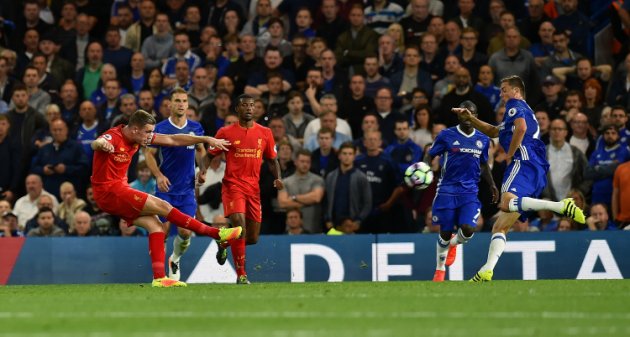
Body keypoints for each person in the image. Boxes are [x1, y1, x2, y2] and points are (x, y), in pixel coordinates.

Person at [453, 75, 585, 282]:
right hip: (536, 165)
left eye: (504, 89)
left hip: (523, 160)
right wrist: (470, 118)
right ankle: (487, 269)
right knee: (500, 226)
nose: (501, 94)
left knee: (505, 203)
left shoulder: (515, 105)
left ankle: (560, 207)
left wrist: (510, 153)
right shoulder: (516, 113)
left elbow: (521, 128)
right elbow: (494, 131)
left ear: (516, 91)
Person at [90, 109, 240, 288]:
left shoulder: (139, 137)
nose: (150, 136)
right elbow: (96, 143)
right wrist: (101, 145)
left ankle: (159, 278)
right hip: (109, 191)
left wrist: (205, 139)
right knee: (163, 206)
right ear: (135, 129)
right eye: (147, 132)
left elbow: (173, 139)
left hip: (117, 191)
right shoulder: (113, 137)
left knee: (156, 225)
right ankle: (217, 234)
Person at [207, 94, 283, 284]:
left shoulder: (265, 133)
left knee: (252, 238)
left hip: (253, 190)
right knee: (239, 226)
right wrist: (202, 173)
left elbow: (272, 160)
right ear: (237, 109)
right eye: (245, 105)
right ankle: (241, 275)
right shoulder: (226, 132)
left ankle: (223, 242)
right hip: (233, 186)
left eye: (252, 105)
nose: (249, 108)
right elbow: (210, 155)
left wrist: (278, 178)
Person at [428, 101, 498, 282]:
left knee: (468, 229)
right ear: (458, 115)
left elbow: (483, 164)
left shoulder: (483, 139)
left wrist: (492, 184)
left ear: (475, 116)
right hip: (446, 189)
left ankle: (453, 245)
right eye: (464, 113)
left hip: (469, 191)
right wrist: (424, 170)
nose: (467, 117)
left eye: (471, 113)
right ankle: (439, 270)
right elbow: (430, 154)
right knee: (444, 230)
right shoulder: (446, 135)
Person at [143, 88, 206, 282]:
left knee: (186, 232)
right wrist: (158, 175)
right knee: (162, 230)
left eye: (184, 101)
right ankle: (160, 276)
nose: (180, 104)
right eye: (177, 101)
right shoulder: (160, 128)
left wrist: (202, 171)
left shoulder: (195, 128)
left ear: (188, 105)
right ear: (170, 104)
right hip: (166, 189)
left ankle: (175, 259)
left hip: (186, 190)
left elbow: (201, 151)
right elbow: (148, 155)